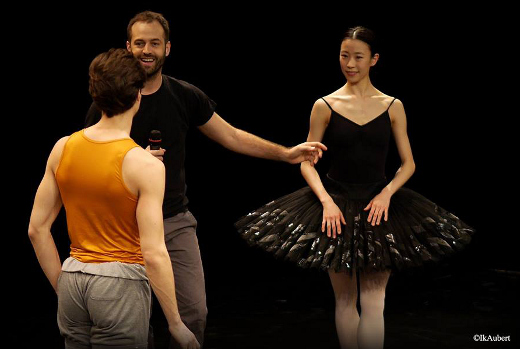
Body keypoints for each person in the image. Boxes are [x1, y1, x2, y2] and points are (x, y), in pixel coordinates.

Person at [84, 11, 327, 349]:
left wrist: (286, 153)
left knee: (194, 314)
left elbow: (233, 137)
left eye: (155, 43)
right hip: (121, 225)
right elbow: (90, 159)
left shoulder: (184, 95)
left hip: (173, 221)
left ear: (168, 48)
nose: (147, 50)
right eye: (139, 43)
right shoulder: (109, 102)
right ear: (128, 47)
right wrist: (133, 160)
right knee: (133, 322)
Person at [235, 26, 475, 349]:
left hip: (378, 206)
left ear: (374, 59)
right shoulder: (325, 105)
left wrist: (387, 193)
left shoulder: (392, 106)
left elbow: (409, 163)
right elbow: (307, 161)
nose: (350, 63)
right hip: (337, 205)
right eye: (344, 56)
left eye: (358, 57)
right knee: (346, 300)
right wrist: (325, 201)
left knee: (375, 301)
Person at [29, 48, 199, 349]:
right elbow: (154, 251)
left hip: (73, 274)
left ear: (96, 95)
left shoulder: (62, 147)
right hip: (119, 283)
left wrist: (63, 285)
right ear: (137, 97)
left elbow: (36, 229)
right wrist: (176, 323)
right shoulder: (145, 166)